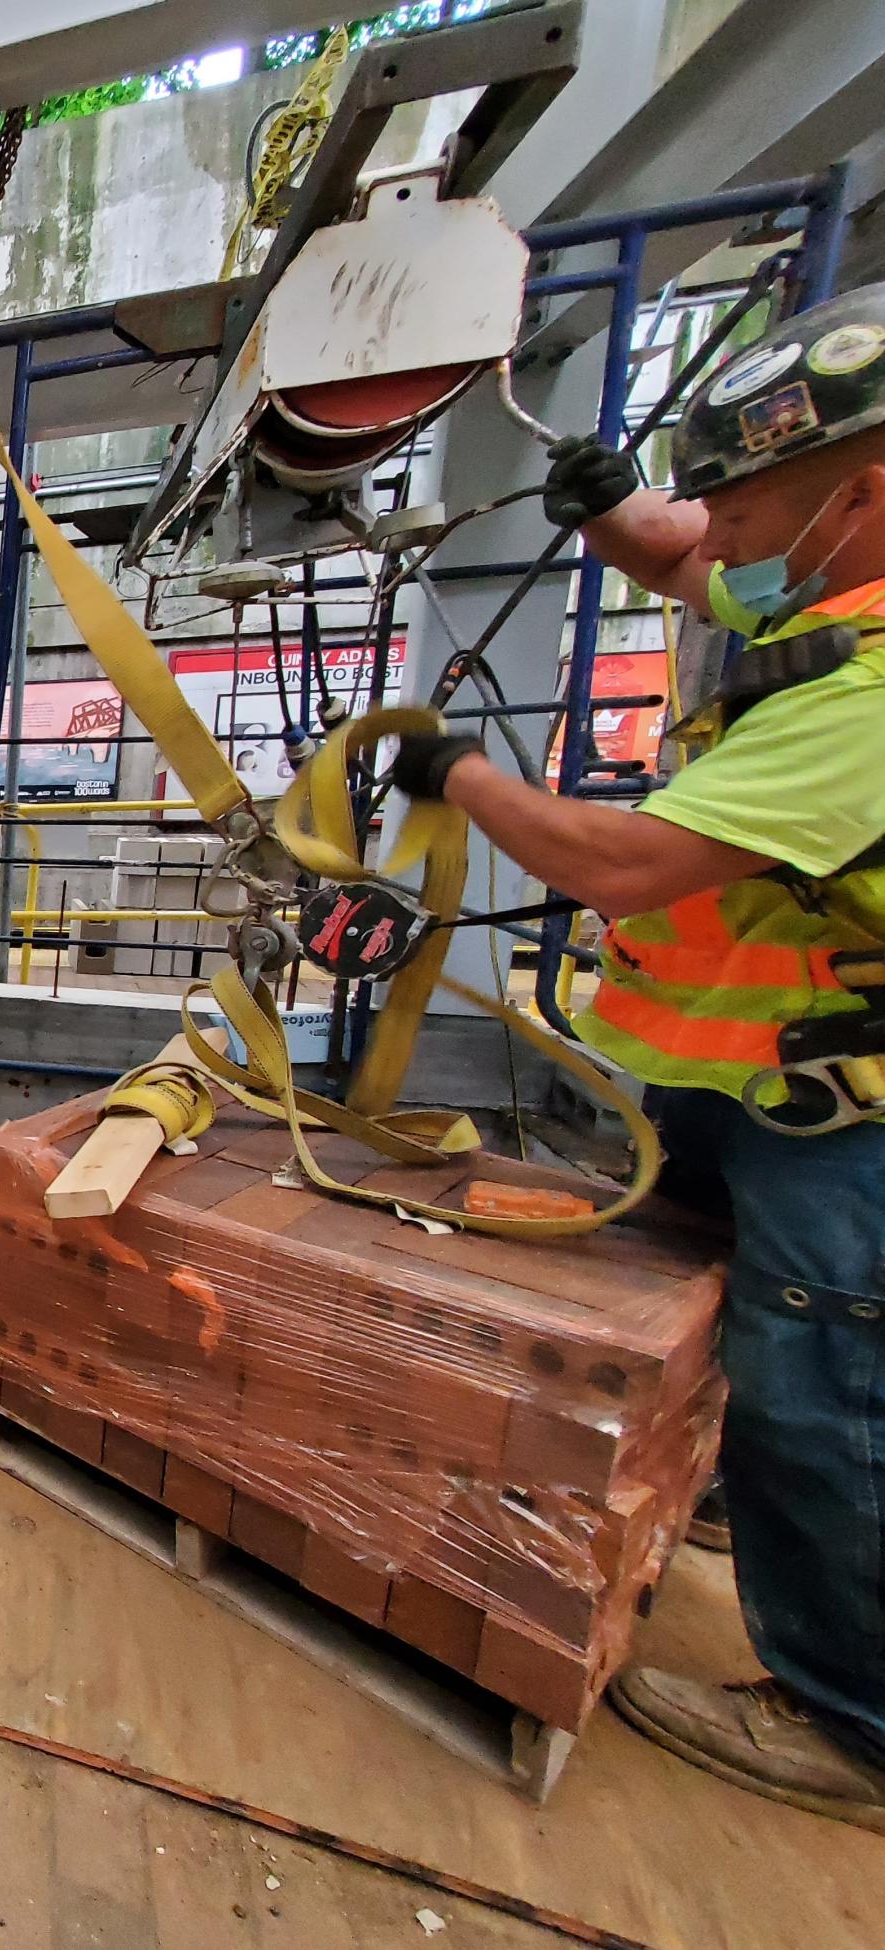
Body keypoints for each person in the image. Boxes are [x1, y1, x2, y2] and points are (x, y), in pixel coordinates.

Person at [389, 284, 885, 1830]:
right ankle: (712, 1504)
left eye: (750, 502)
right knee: (733, 1349)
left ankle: (857, 1725)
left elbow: (611, 860)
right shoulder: (824, 601)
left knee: (829, 1397)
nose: (719, 531)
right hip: (743, 1092)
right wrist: (617, 509)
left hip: (840, 1125)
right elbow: (689, 556)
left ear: (862, 495)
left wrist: (460, 769)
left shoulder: (873, 695)